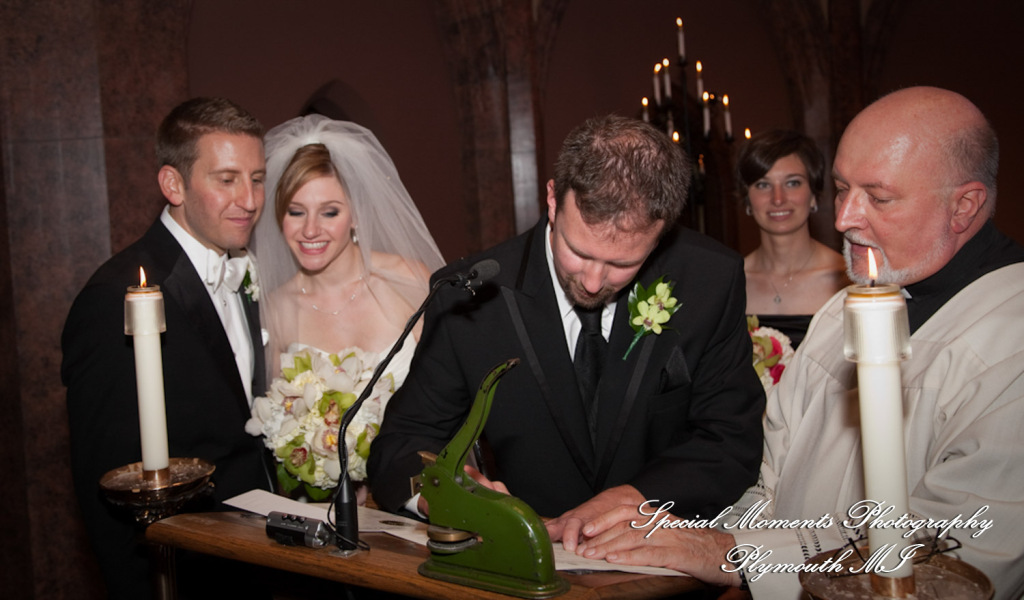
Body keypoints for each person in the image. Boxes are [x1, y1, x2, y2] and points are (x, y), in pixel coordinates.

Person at [574, 87, 1024, 599]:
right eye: (841, 189)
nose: (843, 219)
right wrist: (675, 535)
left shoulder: (1011, 335)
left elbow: (960, 549)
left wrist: (730, 555)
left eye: (878, 197)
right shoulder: (844, 310)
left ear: (964, 205)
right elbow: (771, 482)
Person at [368, 114, 765, 550]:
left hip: (665, 568)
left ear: (662, 231)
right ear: (553, 199)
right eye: (579, 252)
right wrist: (451, 494)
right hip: (523, 566)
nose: (594, 282)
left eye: (622, 264)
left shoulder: (710, 279)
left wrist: (631, 500)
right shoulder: (472, 295)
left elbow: (731, 439)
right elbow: (399, 447)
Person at [62, 97, 275, 599]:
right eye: (226, 179)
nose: (249, 199)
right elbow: (106, 485)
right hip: (182, 572)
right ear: (173, 184)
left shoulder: (246, 271)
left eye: (258, 178)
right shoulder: (116, 296)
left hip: (257, 563)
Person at [247, 115, 445, 498]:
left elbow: (453, 401)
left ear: (354, 213)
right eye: (296, 211)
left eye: (330, 211)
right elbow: (273, 426)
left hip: (419, 500)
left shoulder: (409, 281)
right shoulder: (276, 308)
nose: (310, 230)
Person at [737, 130, 848, 349]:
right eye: (763, 185)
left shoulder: (847, 281)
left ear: (814, 194)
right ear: (747, 199)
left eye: (793, 183)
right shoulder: (731, 284)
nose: (778, 199)